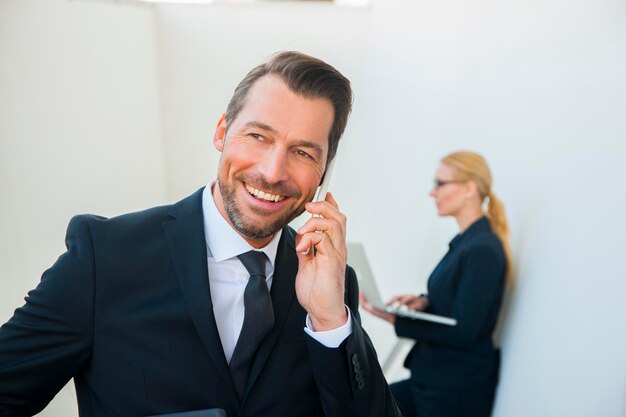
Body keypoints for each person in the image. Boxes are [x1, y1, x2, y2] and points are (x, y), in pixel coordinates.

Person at [0, 51, 402, 417]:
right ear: (221, 132)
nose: (273, 172)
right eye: (258, 136)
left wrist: (331, 321)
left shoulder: (332, 285)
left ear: (323, 172)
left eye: (303, 152)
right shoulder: (105, 257)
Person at [360, 151, 512, 417]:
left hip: (453, 390)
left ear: (469, 189)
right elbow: (458, 300)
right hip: (434, 379)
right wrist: (424, 301)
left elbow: (465, 330)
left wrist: (398, 320)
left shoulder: (482, 250)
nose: (433, 192)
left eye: (440, 184)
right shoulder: (466, 243)